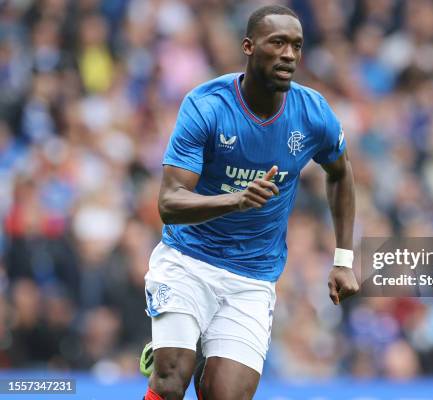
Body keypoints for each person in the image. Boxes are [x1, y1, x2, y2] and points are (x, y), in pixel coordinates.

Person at [142, 4, 359, 400]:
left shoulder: (313, 114)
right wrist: (236, 200)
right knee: (172, 380)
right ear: (248, 46)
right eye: (277, 42)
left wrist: (343, 259)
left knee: (225, 394)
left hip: (252, 278)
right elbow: (169, 202)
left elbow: (341, 173)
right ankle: (177, 348)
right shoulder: (206, 106)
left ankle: (193, 343)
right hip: (188, 260)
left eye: (296, 45)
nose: (289, 54)